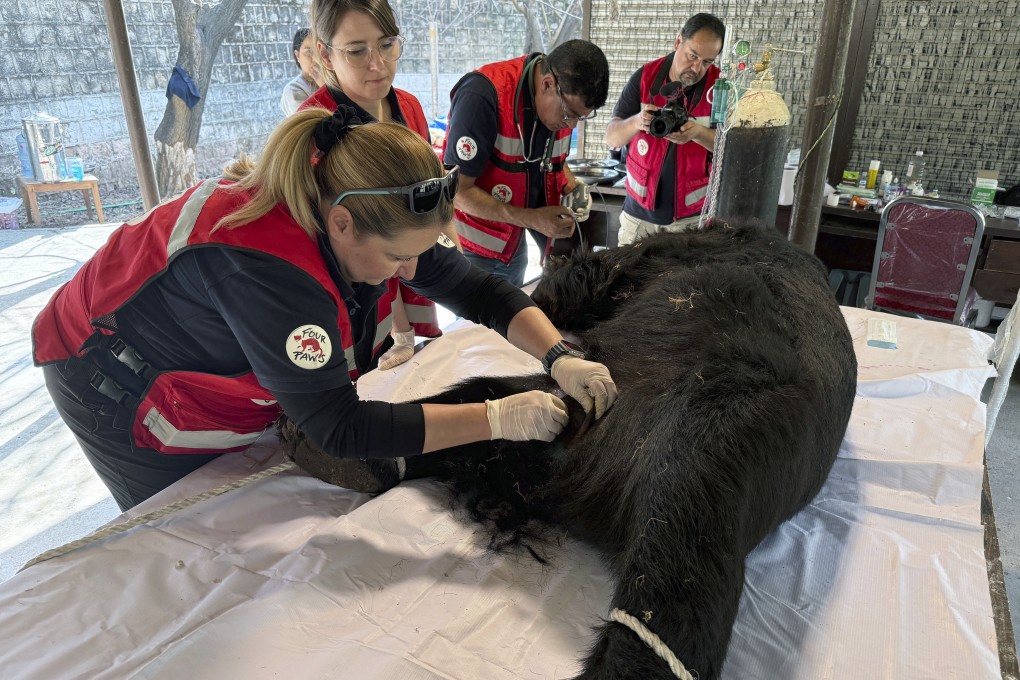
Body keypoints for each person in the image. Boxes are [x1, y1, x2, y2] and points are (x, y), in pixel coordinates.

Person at [32, 106, 619, 512]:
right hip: (110, 372)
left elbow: (482, 290)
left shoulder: (370, 213)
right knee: (185, 534)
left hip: (204, 337)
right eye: (396, 259)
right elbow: (341, 426)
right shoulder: (269, 272)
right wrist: (495, 417)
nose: (407, 273)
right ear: (342, 224)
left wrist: (560, 355)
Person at [302, 0, 456, 366]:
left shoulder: (409, 107)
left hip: (415, 266)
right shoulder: (316, 128)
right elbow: (340, 246)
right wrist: (399, 329)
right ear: (325, 54)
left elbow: (435, 194)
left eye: (387, 44)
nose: (378, 63)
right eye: (356, 51)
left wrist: (455, 262)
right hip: (361, 292)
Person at [443, 40, 610, 287]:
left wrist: (573, 186)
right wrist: (531, 218)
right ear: (547, 85)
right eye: (570, 115)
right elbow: (457, 191)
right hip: (476, 248)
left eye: (581, 118)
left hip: (513, 242)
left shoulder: (557, 109)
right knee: (482, 322)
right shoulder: (482, 96)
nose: (572, 125)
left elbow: (550, 159)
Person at [605, 13, 725, 246]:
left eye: (708, 61)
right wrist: (637, 121)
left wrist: (697, 134)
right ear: (678, 42)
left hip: (691, 222)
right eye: (693, 55)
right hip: (637, 217)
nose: (697, 67)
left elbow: (731, 149)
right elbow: (612, 137)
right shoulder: (645, 78)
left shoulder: (719, 88)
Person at [280, 28, 325, 116]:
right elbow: (314, 124)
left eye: (319, 51)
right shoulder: (294, 90)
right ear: (297, 55)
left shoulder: (334, 80)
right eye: (309, 52)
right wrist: (325, 88)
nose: (316, 59)